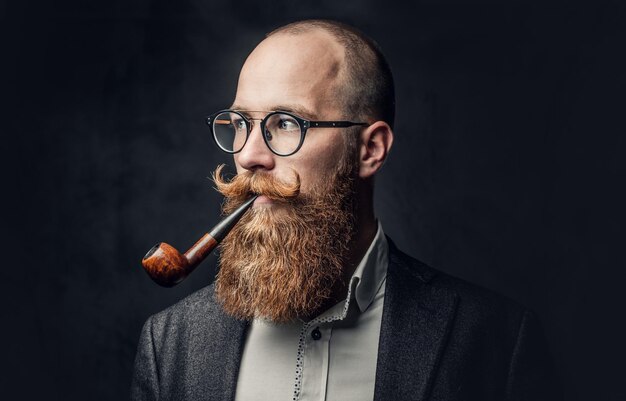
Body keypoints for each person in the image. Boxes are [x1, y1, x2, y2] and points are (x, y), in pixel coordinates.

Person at [131, 19, 560, 401]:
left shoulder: (494, 341)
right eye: (240, 124)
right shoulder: (172, 344)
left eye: (285, 123)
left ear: (370, 149)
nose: (249, 156)